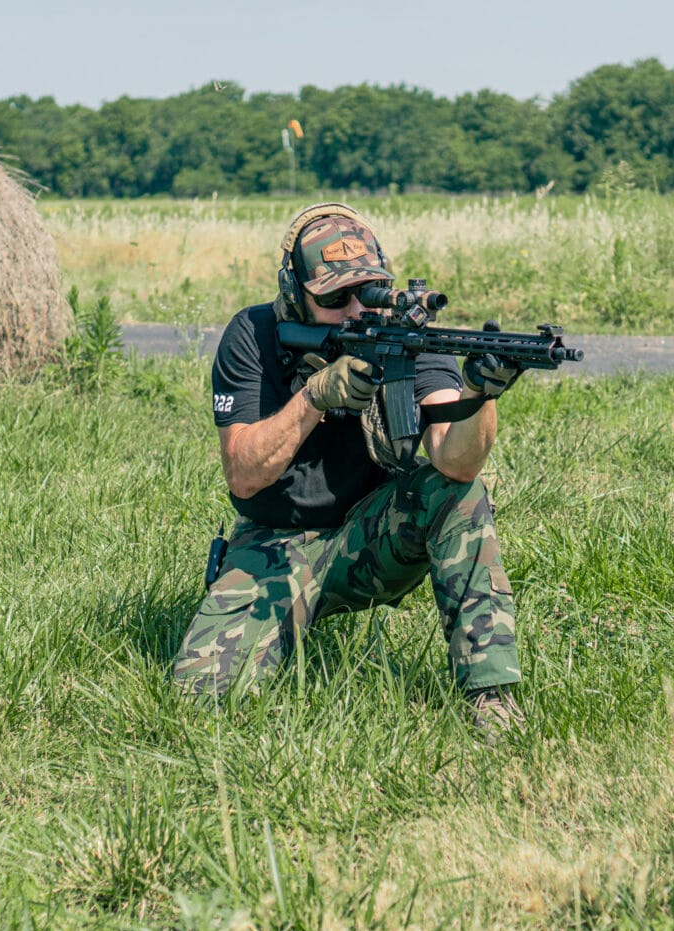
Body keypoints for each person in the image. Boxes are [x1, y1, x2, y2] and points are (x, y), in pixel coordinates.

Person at [172, 202, 526, 735]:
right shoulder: (253, 336)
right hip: (274, 543)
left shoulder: (407, 337)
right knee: (199, 701)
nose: (356, 309)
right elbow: (242, 474)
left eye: (369, 292)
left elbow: (454, 461)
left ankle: (492, 700)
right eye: (335, 298)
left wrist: (480, 395)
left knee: (460, 495)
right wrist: (316, 396)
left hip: (371, 536)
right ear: (296, 295)